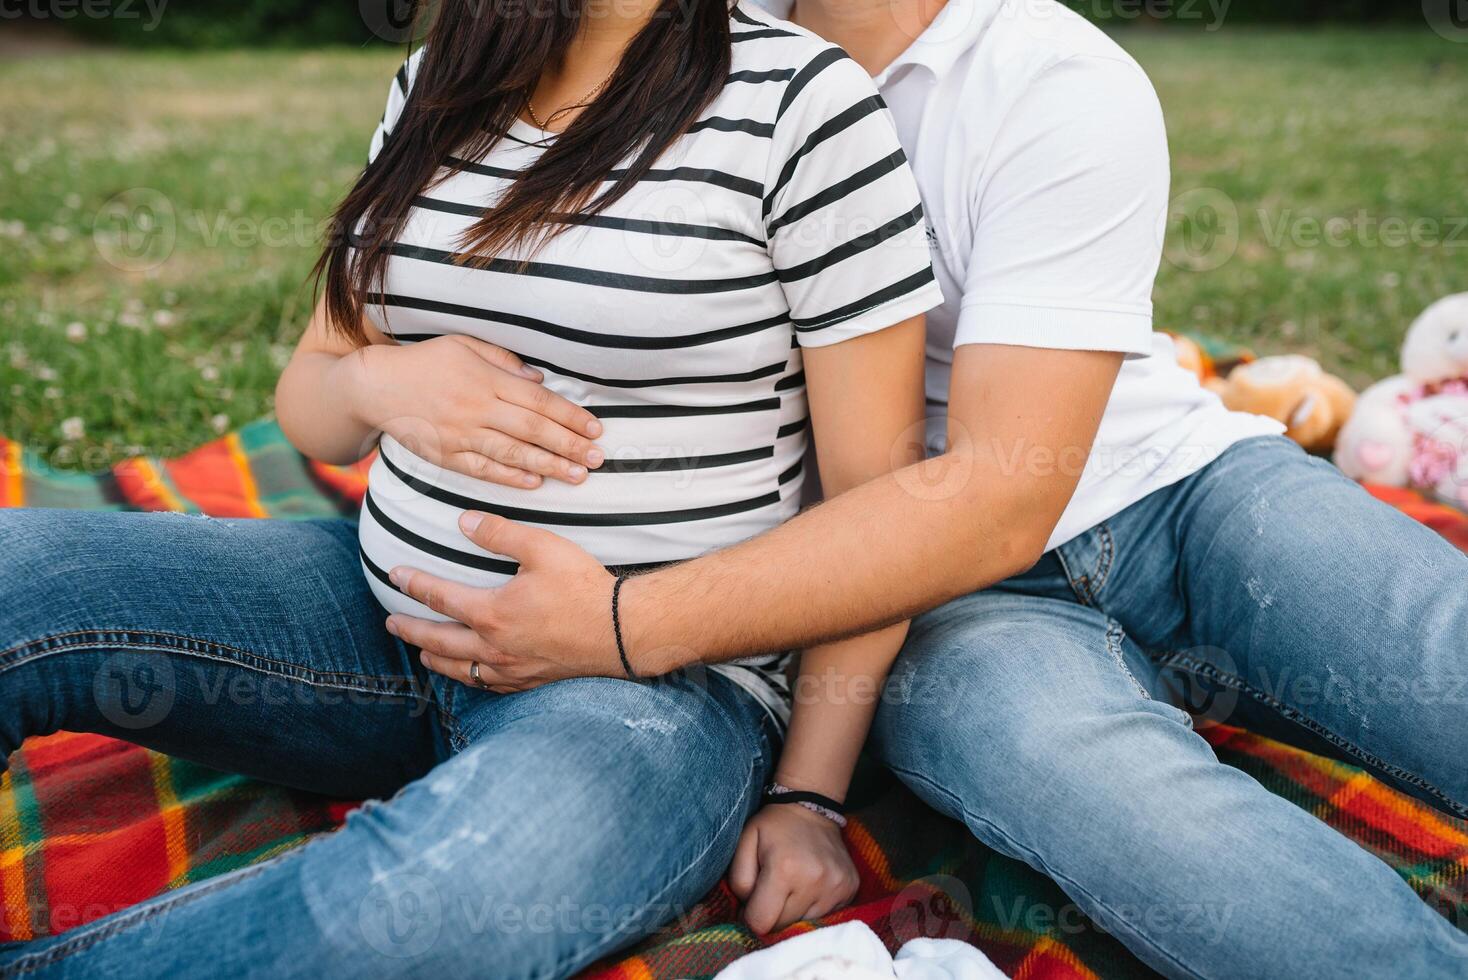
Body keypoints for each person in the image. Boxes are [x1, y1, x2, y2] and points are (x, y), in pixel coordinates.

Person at [377, 0, 1468, 977]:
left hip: (1179, 489)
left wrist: (626, 622)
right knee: (1101, 789)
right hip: (921, 587)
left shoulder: (1051, 72)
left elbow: (1001, 491)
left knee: (1437, 656)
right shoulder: (676, 51)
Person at [0, 0, 943, 974]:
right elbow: (312, 397)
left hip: (651, 692)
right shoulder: (438, 84)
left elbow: (882, 503)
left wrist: (809, 796)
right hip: (376, 626)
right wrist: (375, 379)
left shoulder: (802, 104)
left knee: (428, 901)